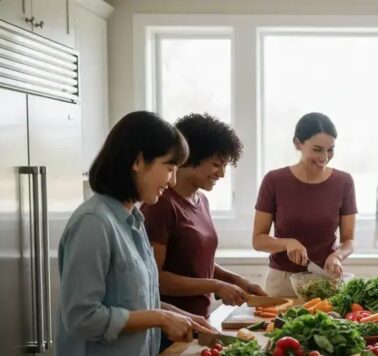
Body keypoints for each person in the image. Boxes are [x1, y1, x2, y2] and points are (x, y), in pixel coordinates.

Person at [50, 111, 217, 356]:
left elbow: (142, 300)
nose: (171, 180)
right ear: (139, 161)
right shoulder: (94, 223)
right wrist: (160, 319)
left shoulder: (133, 220)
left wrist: (182, 316)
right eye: (168, 168)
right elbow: (82, 317)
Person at [142, 113, 266, 325]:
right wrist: (215, 286)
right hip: (170, 324)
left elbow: (195, 261)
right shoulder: (160, 205)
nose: (222, 174)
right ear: (190, 158)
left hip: (198, 319)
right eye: (216, 164)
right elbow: (156, 279)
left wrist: (236, 280)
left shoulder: (201, 201)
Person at [252, 112, 357, 296]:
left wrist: (337, 256)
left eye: (330, 149)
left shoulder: (344, 182)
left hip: (326, 281)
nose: (324, 157)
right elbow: (258, 240)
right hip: (282, 283)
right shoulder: (274, 181)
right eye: (317, 149)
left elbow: (348, 241)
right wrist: (287, 243)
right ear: (298, 143)